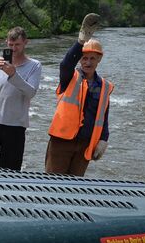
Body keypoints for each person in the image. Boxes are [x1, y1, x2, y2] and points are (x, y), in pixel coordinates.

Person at [44, 15, 112, 176]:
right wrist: (80, 42)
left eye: (92, 58)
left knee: (74, 188)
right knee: (52, 186)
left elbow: (104, 116)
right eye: (84, 58)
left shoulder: (105, 86)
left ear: (99, 60)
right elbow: (65, 64)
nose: (88, 62)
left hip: (85, 144)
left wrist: (103, 139)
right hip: (61, 142)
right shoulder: (70, 77)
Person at [0, 27, 42, 169]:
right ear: (6, 42)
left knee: (10, 172)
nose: (13, 49)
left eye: (17, 45)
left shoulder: (34, 65)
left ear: (26, 43)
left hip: (15, 126)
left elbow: (31, 92)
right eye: (10, 45)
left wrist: (13, 75)